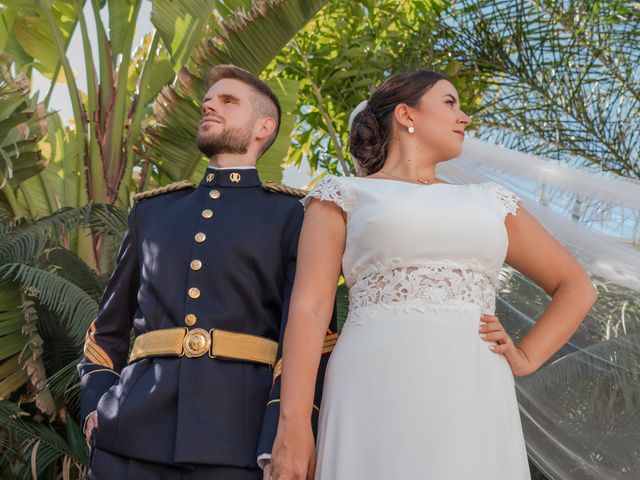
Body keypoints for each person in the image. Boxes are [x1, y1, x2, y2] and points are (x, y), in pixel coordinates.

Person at [269, 70, 599, 479]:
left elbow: (576, 286)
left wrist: (526, 357)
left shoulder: (490, 200)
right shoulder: (344, 194)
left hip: (473, 385)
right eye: (450, 103)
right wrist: (294, 426)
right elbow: (310, 308)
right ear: (407, 114)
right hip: (373, 381)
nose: (465, 118)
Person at [77, 64, 337, 480]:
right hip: (128, 435)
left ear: (263, 127)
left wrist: (279, 434)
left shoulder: (295, 216)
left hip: (238, 438)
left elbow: (312, 338)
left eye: (228, 101)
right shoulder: (152, 212)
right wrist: (95, 406)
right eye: (208, 101)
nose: (209, 106)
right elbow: (105, 328)